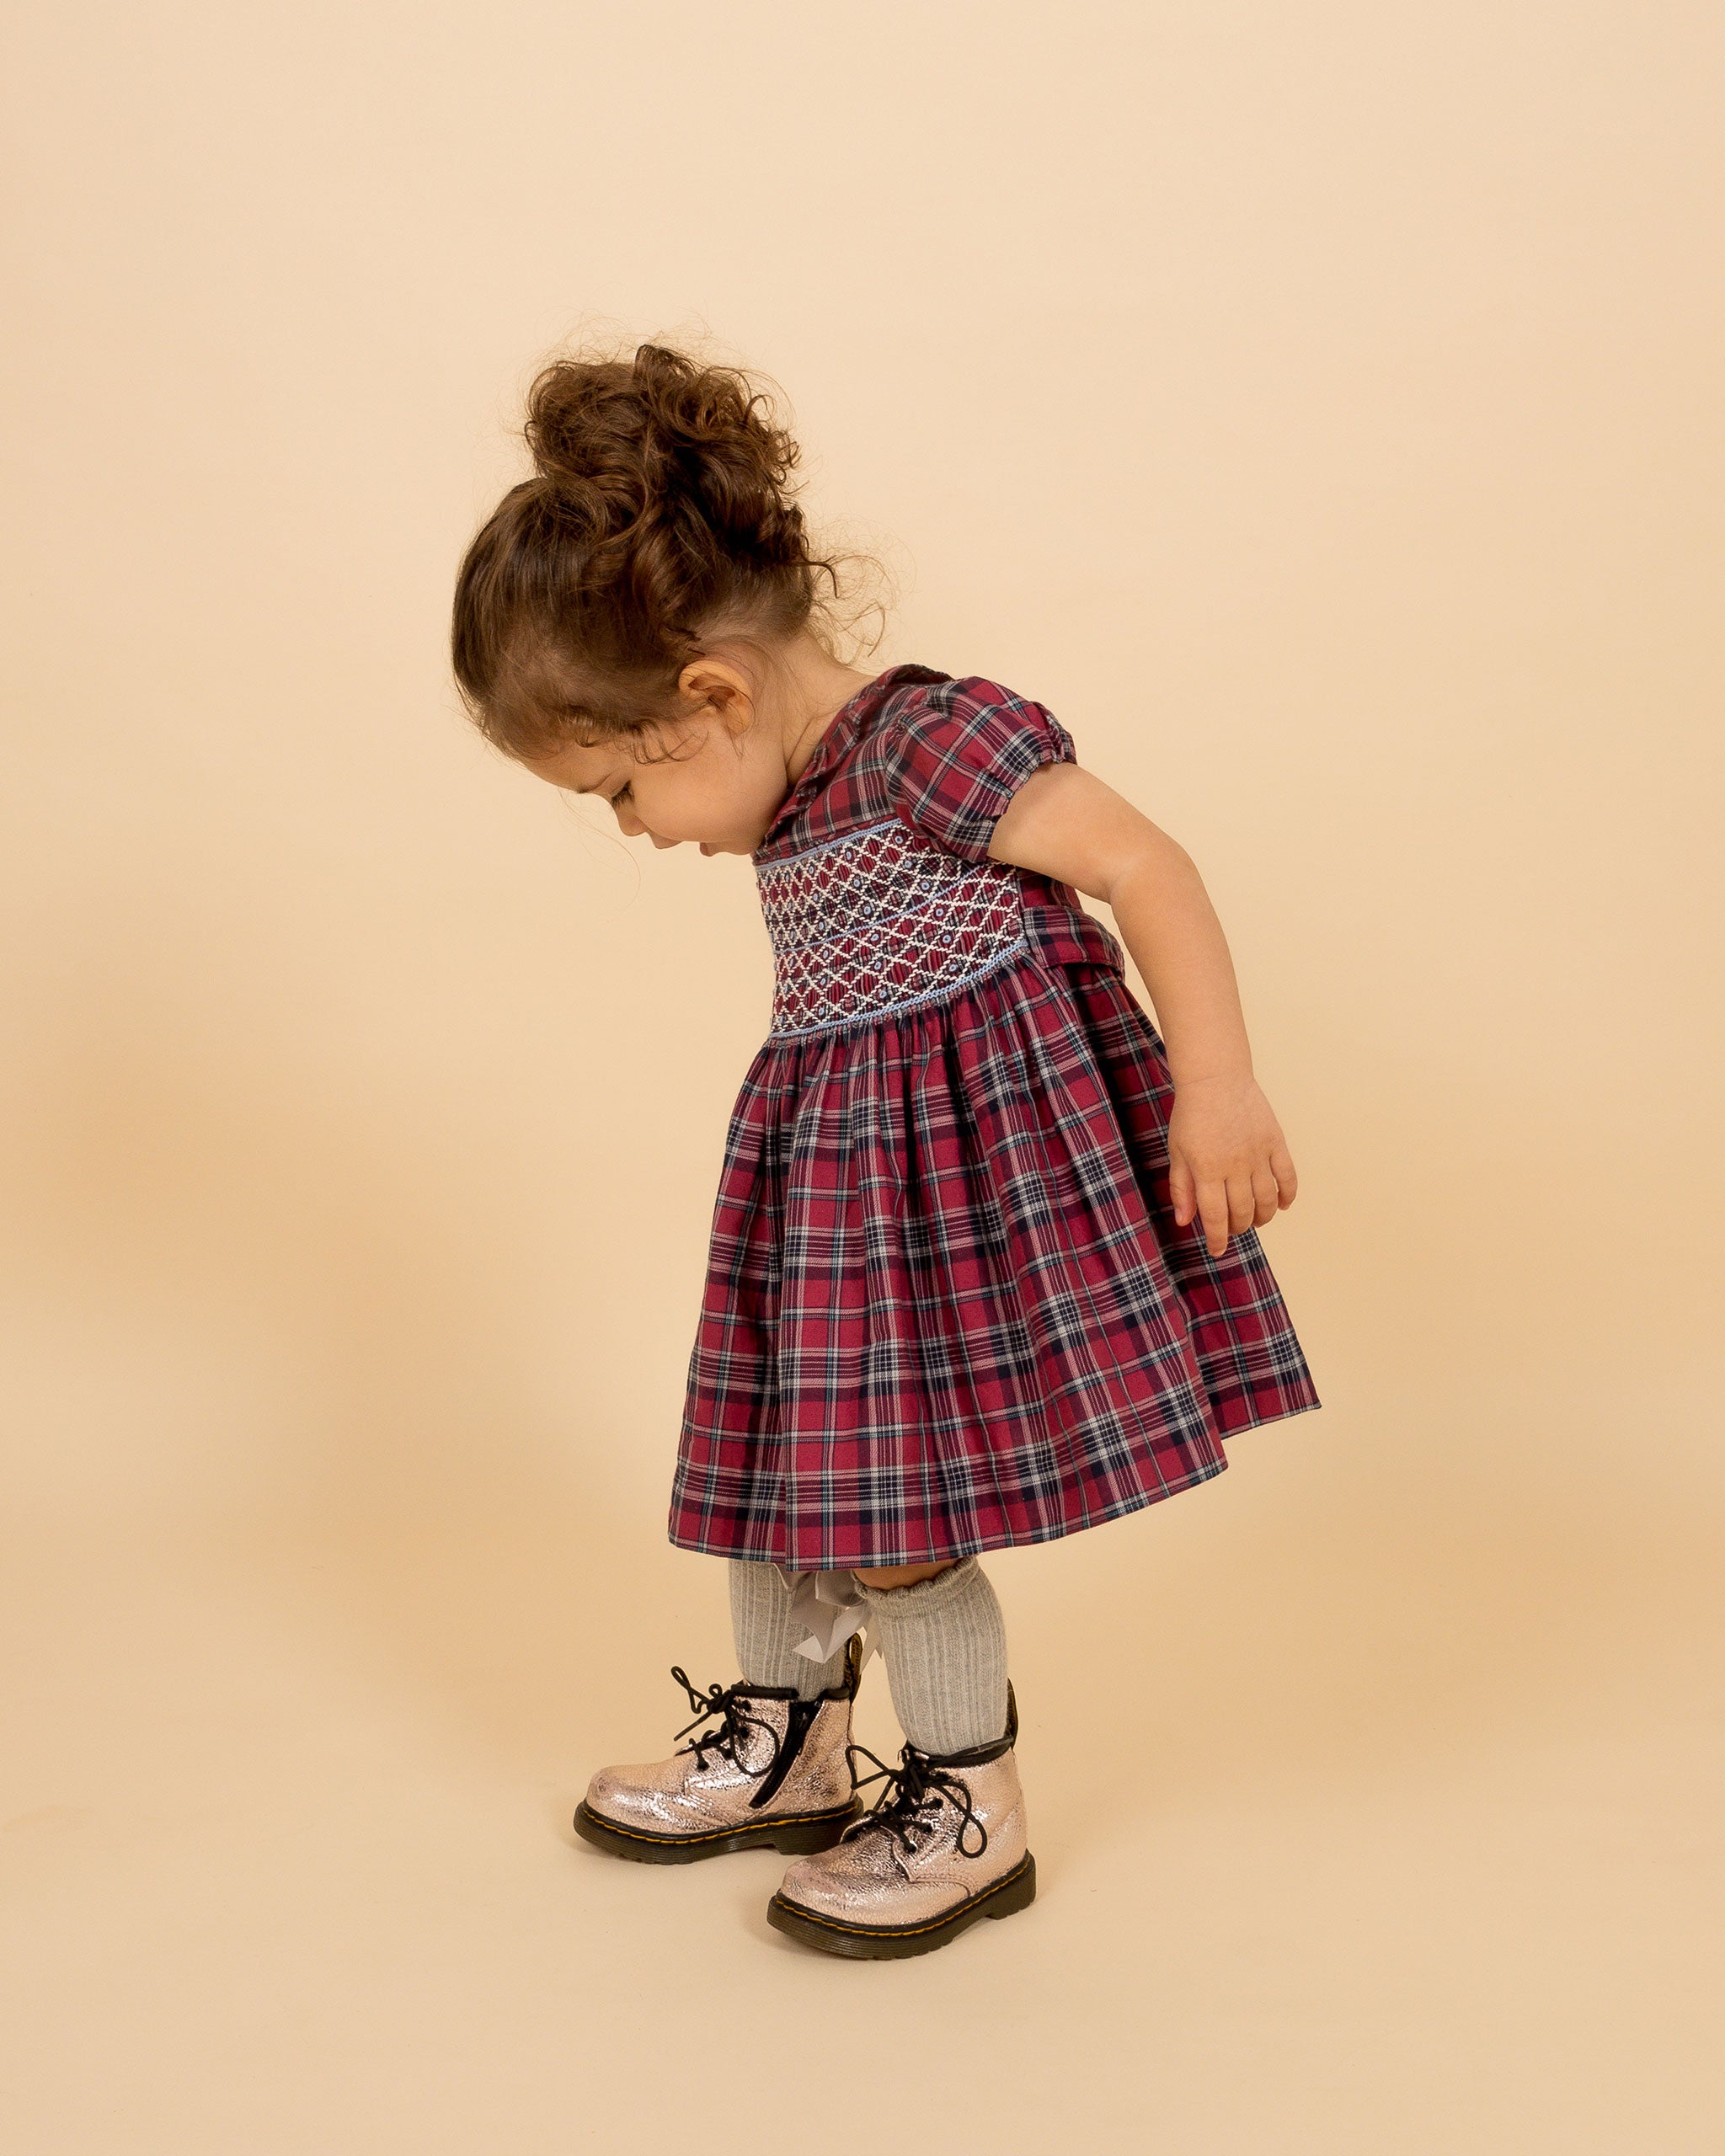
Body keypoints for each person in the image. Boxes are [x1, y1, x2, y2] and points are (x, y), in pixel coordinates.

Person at [450, 341, 1321, 1961]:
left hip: (960, 1205)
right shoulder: (789, 802)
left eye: (625, 782)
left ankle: (968, 1794)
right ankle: (788, 1738)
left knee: (899, 1515)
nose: (635, 827)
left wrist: (1221, 1085)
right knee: (782, 1475)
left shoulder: (926, 744)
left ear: (711, 693)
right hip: (834, 1190)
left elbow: (1144, 861)